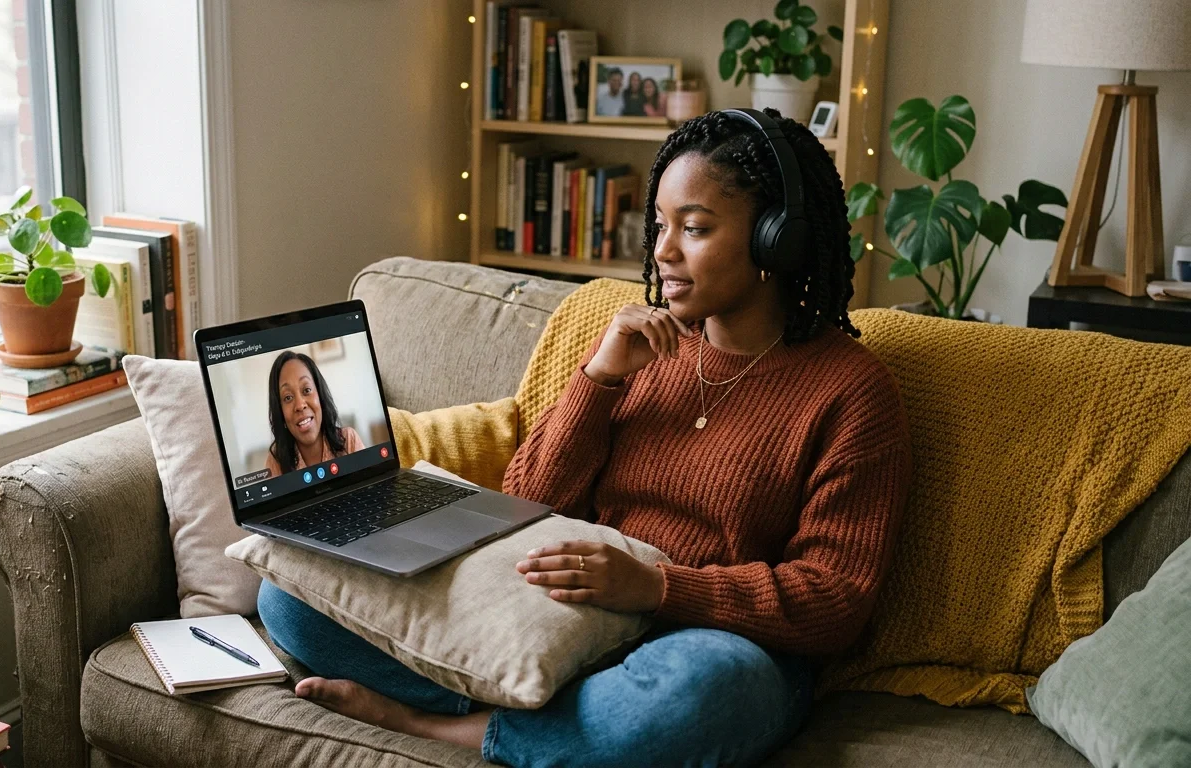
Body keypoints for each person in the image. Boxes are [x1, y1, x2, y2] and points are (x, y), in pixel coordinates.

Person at [259, 109, 912, 767]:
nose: (663, 250)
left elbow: (835, 600)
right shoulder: (638, 346)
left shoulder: (852, 394)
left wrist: (659, 587)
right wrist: (597, 381)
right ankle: (552, 723)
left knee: (706, 693)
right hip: (567, 622)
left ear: (777, 240)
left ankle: (444, 726)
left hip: (706, 641)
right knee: (289, 593)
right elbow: (528, 497)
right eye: (661, 225)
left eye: (695, 228)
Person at [263, 350, 365, 477]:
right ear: (280, 411)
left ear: (320, 396)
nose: (300, 405)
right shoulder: (276, 461)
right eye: (288, 397)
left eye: (307, 390)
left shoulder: (349, 440)